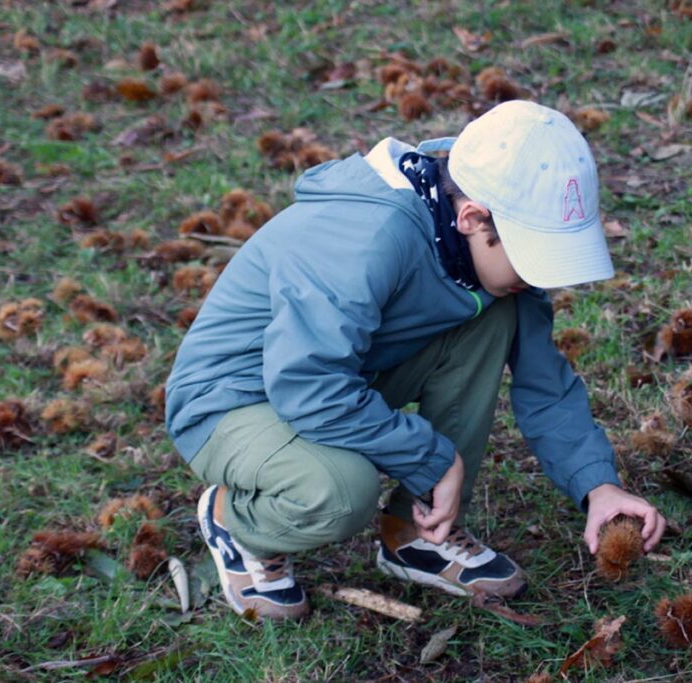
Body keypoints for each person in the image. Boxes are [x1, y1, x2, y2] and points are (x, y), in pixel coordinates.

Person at [166, 100, 666, 620]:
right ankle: (238, 523)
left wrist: (598, 487)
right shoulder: (365, 236)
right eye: (533, 253)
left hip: (340, 376)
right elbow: (306, 382)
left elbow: (546, 382)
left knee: (496, 314)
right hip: (234, 399)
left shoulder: (484, 255)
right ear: (473, 216)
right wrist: (431, 456)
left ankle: (419, 531)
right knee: (340, 491)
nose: (544, 276)